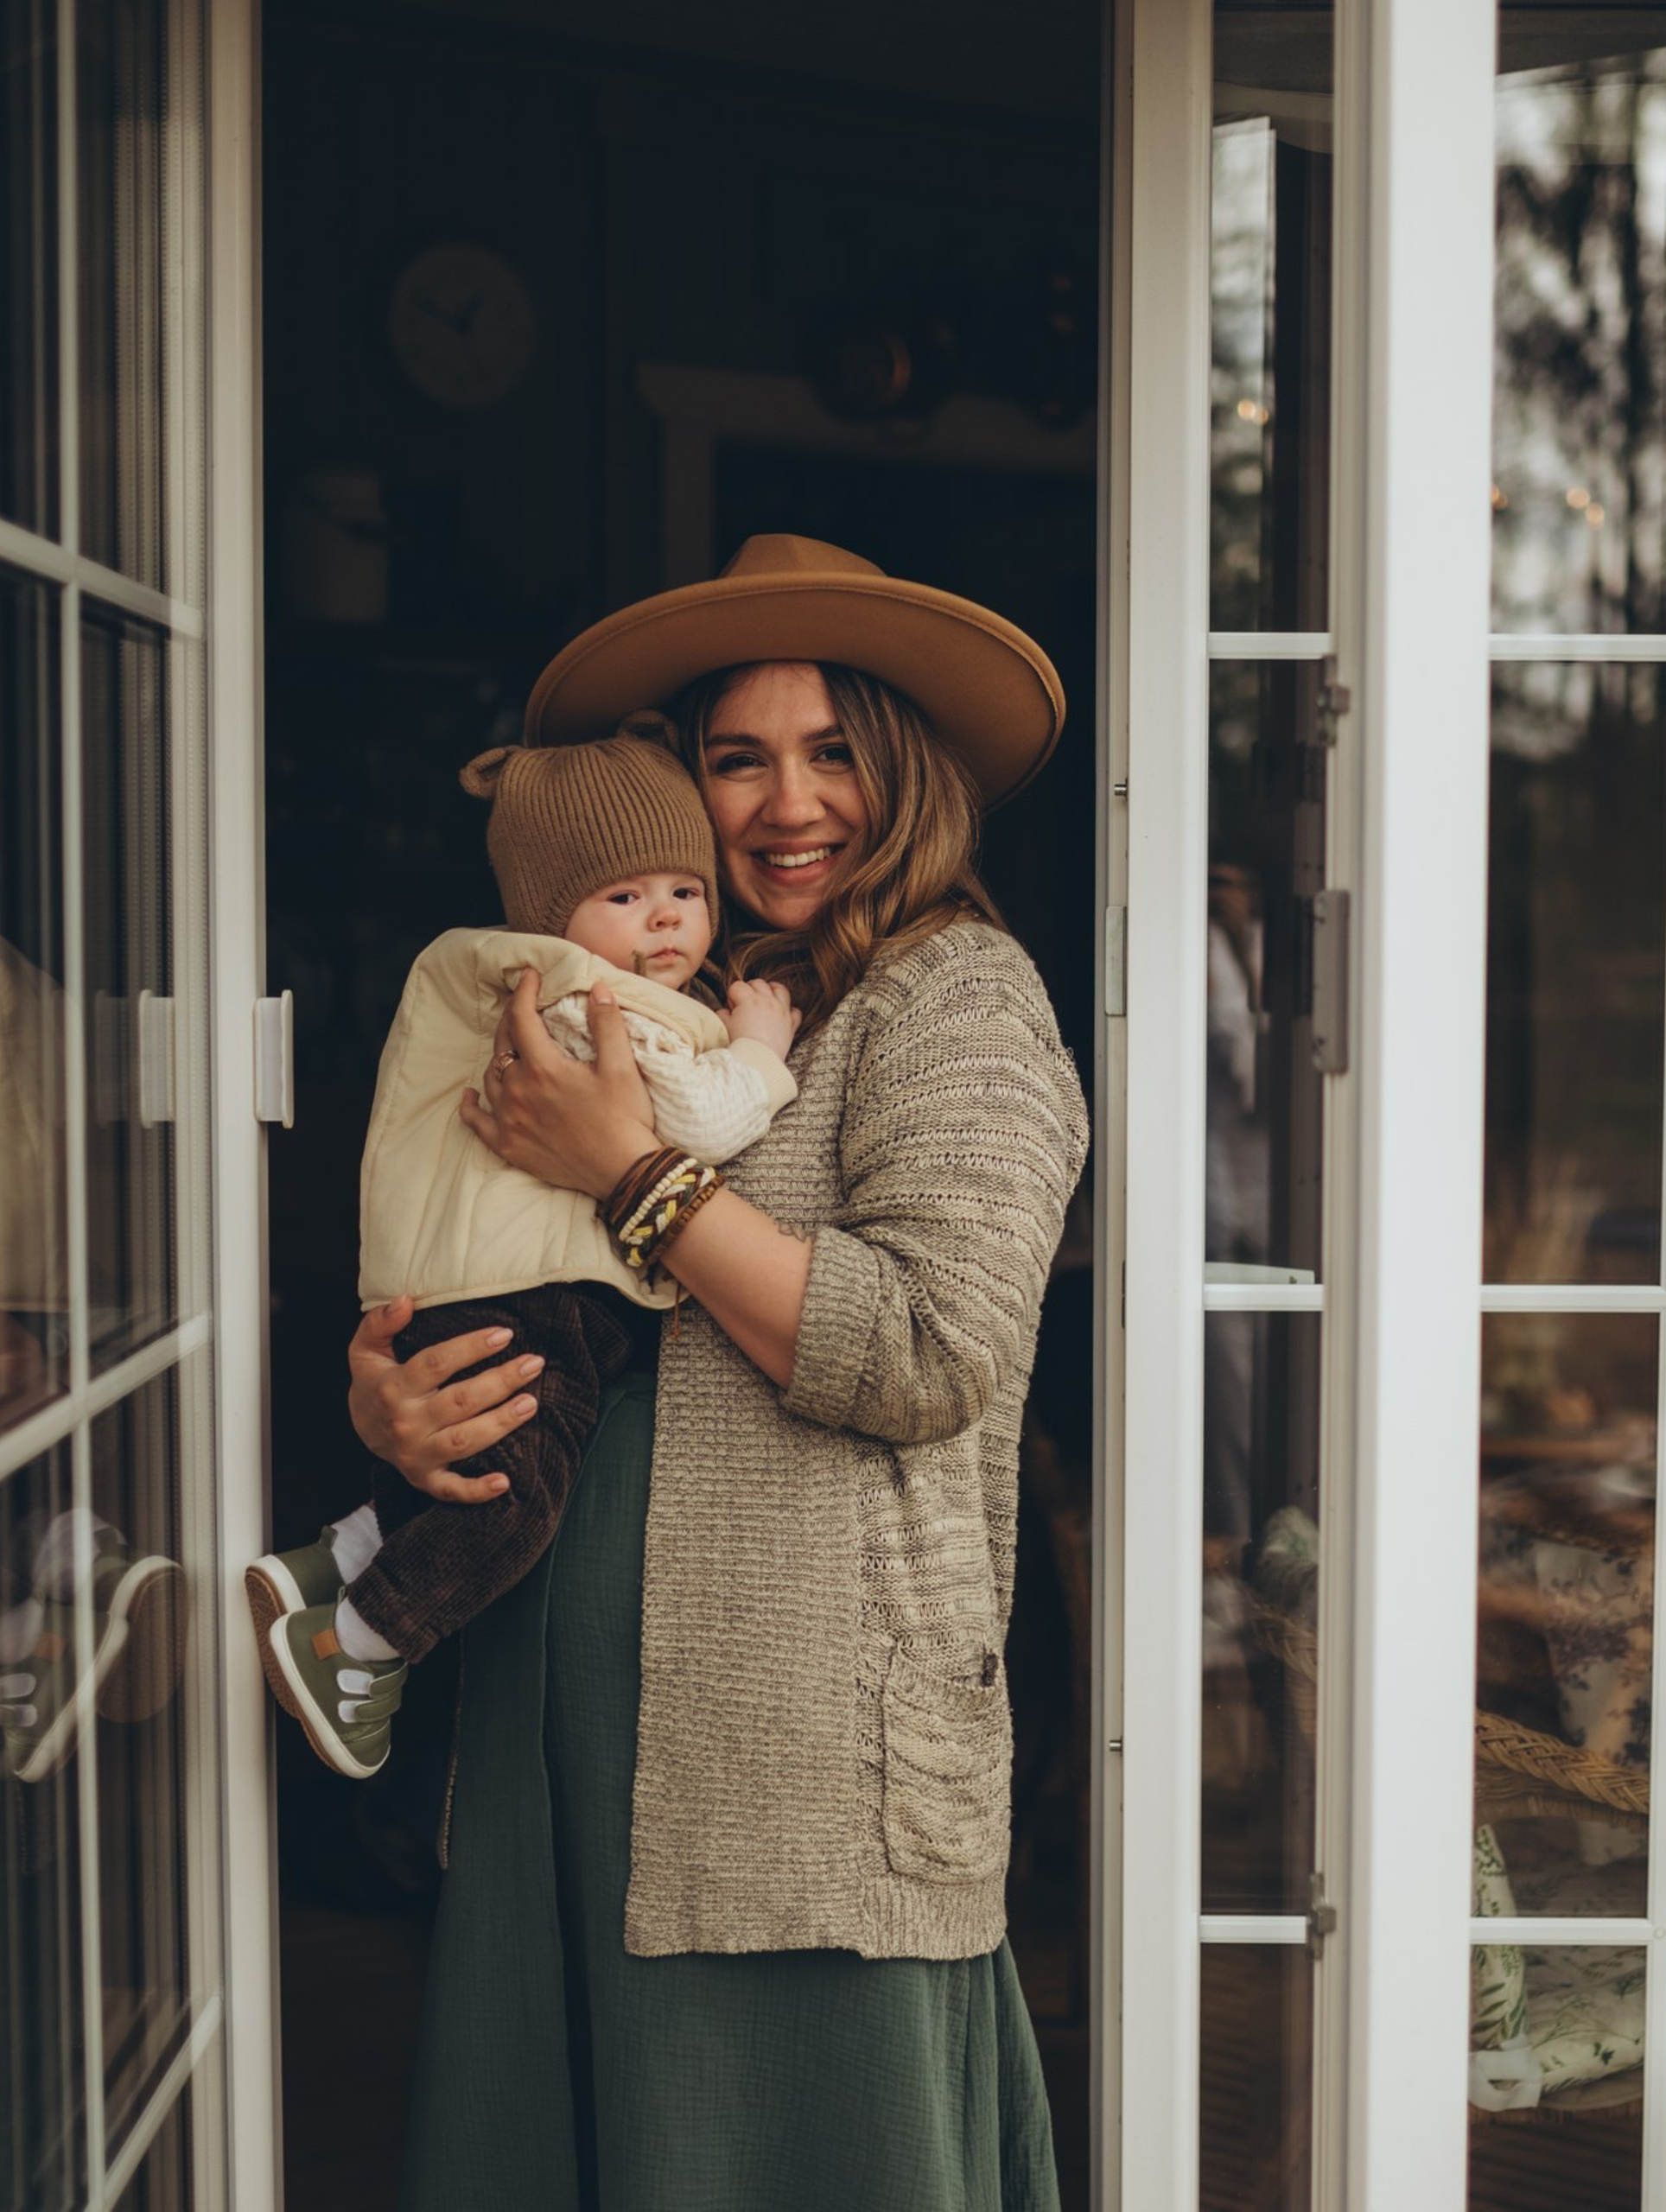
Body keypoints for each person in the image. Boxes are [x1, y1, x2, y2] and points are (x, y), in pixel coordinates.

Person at [342, 533, 1088, 2212]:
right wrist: (396, 1405)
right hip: (558, 1735)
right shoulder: (651, 997)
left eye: (832, 752)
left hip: (799, 1780)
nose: (785, 803)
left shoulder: (957, 993)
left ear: (906, 773)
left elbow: (929, 1344)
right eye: (737, 758)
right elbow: (480, 1261)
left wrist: (643, 1177)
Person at [246, 728, 801, 1781]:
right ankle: (357, 1647)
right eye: (625, 896)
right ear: (553, 916)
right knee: (517, 1503)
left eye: (682, 888)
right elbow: (699, 1119)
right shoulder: (595, 1000)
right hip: (530, 1291)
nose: (667, 916)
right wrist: (762, 1051)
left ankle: (348, 1553)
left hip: (482, 1277)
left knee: (483, 1468)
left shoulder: (528, 979)